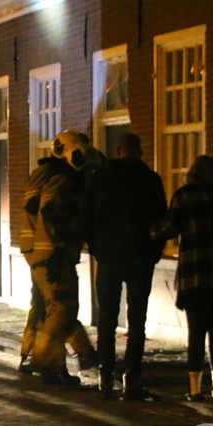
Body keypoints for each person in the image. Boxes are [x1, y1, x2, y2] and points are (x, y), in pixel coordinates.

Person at [153, 155, 213, 400]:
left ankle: (194, 389)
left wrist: (151, 231)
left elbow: (169, 229)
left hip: (194, 274)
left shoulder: (185, 195)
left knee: (196, 333)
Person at [86, 132, 167, 400]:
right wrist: (154, 252)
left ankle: (105, 375)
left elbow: (89, 215)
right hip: (140, 256)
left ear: (119, 151)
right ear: (139, 151)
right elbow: (161, 222)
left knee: (106, 319)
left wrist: (96, 247)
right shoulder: (150, 180)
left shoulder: (100, 178)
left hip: (108, 256)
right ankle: (131, 378)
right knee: (136, 321)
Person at [19, 130, 94, 387]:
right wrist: (61, 243)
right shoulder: (62, 180)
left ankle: (54, 366)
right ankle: (42, 358)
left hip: (41, 251)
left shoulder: (47, 174)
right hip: (53, 253)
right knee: (63, 307)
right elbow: (49, 211)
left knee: (48, 308)